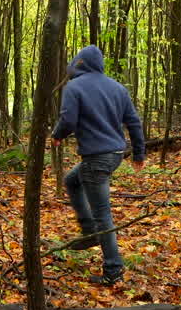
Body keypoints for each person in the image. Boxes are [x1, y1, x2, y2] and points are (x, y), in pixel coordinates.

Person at [51, 45, 145, 286]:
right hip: (115, 155)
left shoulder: (74, 87)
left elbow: (68, 119)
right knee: (72, 180)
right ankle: (89, 229)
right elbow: (133, 122)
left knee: (103, 214)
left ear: (79, 64)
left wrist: (57, 134)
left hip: (97, 158)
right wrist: (138, 153)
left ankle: (113, 268)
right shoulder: (118, 88)